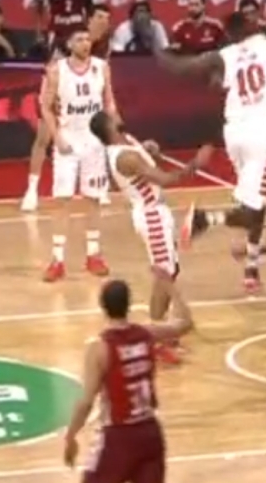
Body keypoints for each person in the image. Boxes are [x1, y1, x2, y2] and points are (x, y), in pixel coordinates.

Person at [151, 11, 266, 294]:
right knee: (254, 207)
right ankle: (207, 219)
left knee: (258, 203)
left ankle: (251, 269)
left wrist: (157, 50)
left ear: (229, 34)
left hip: (235, 134)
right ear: (250, 27)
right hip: (262, 135)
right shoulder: (264, 41)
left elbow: (182, 69)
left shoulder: (223, 56)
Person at [91, 111, 215, 364]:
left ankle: (162, 332)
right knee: (164, 274)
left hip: (156, 211)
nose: (117, 114)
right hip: (151, 216)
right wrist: (195, 164)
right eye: (112, 116)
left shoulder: (127, 140)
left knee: (170, 270)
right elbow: (166, 179)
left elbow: (147, 166)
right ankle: (157, 338)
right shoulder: (124, 157)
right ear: (109, 127)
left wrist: (150, 152)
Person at [62, 278, 194, 483]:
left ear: (103, 307)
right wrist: (169, 286)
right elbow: (185, 323)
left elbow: (86, 402)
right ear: (129, 304)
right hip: (150, 434)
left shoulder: (99, 348)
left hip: (118, 437)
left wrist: (70, 436)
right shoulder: (147, 334)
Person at [40, 29, 117, 282]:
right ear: (69, 44)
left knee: (94, 198)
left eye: (87, 39)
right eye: (79, 40)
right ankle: (57, 259)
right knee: (62, 199)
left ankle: (93, 255)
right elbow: (45, 107)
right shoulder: (56, 70)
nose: (85, 43)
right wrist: (57, 137)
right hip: (68, 140)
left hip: (94, 141)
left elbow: (109, 102)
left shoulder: (101, 67)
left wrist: (114, 130)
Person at [22, 7, 116, 212]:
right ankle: (32, 189)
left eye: (107, 18)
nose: (104, 22)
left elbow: (100, 78)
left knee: (97, 137)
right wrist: (53, 96)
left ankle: (98, 186)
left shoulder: (105, 44)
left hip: (85, 95)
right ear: (89, 20)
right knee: (43, 138)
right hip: (58, 88)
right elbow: (53, 66)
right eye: (100, 17)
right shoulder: (69, 38)